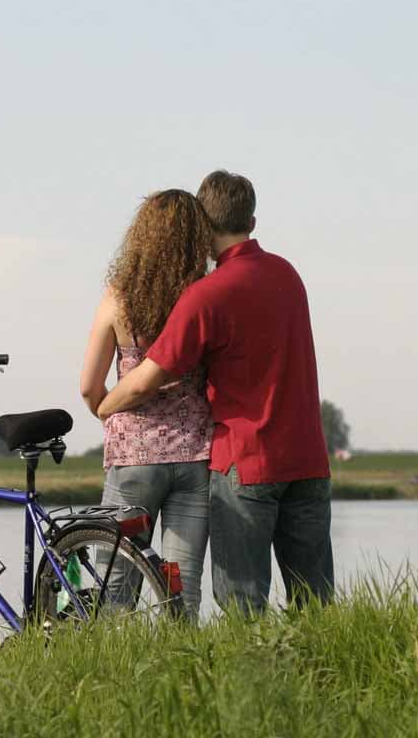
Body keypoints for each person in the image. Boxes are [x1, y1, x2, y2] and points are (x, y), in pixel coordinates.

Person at [97, 171, 333, 614]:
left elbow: (147, 378)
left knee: (242, 602)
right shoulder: (289, 275)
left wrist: (105, 406)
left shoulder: (207, 295)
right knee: (315, 602)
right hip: (308, 459)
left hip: (246, 462)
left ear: (202, 226)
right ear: (253, 222)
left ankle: (250, 683)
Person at [80, 188, 217, 618]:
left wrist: (109, 412)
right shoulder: (205, 295)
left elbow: (88, 386)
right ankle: (182, 672)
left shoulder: (119, 297)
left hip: (133, 457)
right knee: (183, 584)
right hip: (196, 455)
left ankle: (110, 673)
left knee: (116, 584)